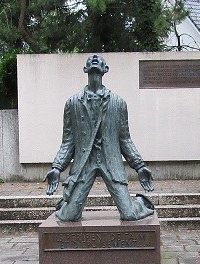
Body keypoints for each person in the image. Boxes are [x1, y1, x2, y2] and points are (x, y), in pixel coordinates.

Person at [44, 54, 155, 222]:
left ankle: (141, 203)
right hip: (84, 163)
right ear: (85, 69)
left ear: (106, 69)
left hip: (111, 161)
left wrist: (139, 166)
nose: (95, 57)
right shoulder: (72, 103)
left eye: (99, 59)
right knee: (68, 217)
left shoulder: (118, 103)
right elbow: (68, 142)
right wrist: (57, 168)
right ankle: (68, 203)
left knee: (129, 214)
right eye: (90, 59)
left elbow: (125, 139)